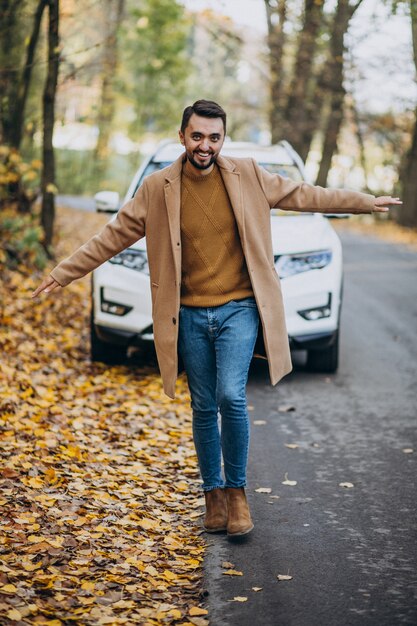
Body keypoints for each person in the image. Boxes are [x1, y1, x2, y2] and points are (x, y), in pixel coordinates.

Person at [32, 100, 401, 537]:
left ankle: (237, 494)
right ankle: (213, 496)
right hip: (187, 315)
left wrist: (362, 202)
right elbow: (112, 235)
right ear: (182, 135)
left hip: (239, 309)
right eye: (197, 136)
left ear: (222, 139)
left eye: (214, 137)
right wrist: (63, 272)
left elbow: (304, 194)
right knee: (203, 406)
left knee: (231, 395)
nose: (205, 145)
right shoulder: (157, 188)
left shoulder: (247, 175)